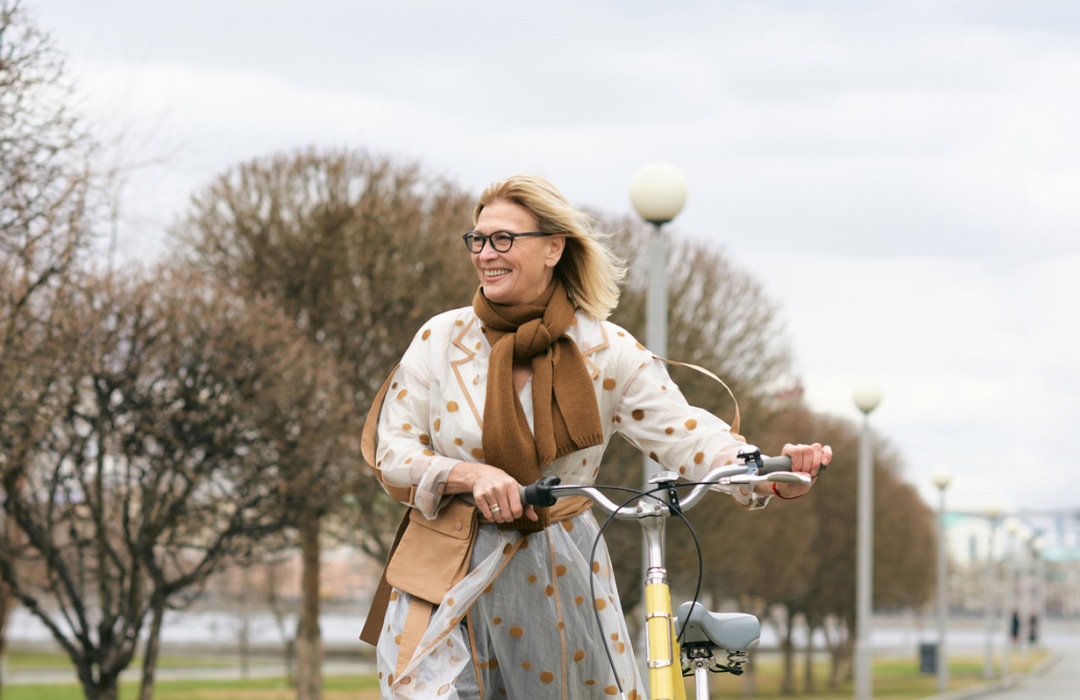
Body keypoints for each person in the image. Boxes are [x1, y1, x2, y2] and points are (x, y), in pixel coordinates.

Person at [360, 175, 832, 699]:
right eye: (478, 239)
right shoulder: (439, 339)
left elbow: (687, 434)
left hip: (556, 570)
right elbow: (393, 453)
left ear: (553, 248)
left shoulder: (606, 350)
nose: (485, 253)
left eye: (503, 239)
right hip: (442, 566)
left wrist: (764, 473)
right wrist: (470, 475)